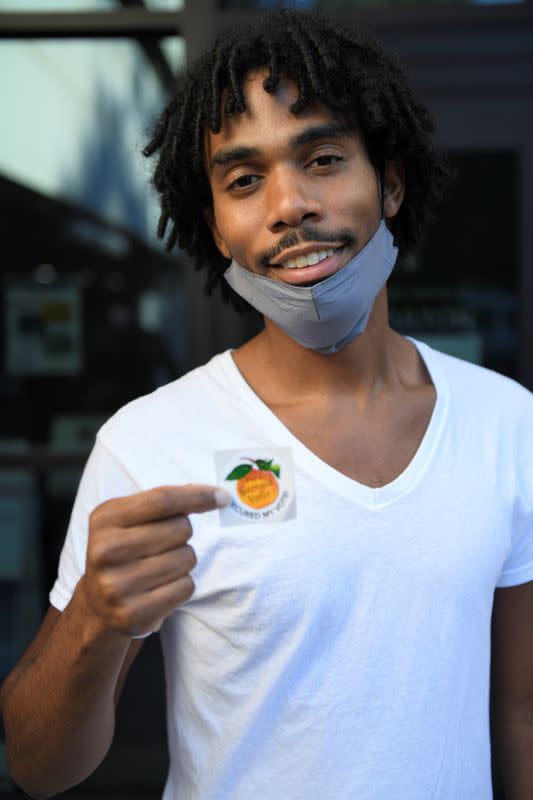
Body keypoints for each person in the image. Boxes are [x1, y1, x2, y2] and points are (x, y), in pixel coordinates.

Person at [1, 10, 532, 799]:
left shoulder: (508, 423)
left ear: (388, 182)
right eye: (243, 180)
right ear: (215, 227)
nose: (288, 205)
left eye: (321, 157)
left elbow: (519, 706)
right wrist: (93, 621)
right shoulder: (150, 443)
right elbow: (37, 769)